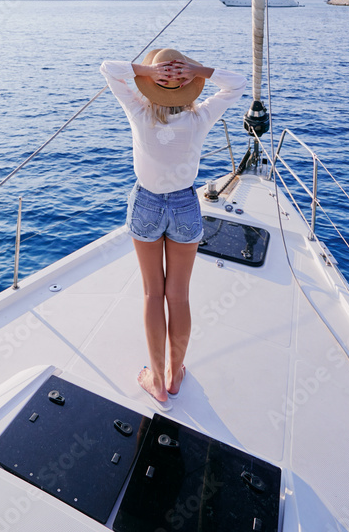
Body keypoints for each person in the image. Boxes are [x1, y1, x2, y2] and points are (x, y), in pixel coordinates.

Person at [100, 47, 247, 409]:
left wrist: (149, 71)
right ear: (188, 85)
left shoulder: (138, 110)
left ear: (151, 83)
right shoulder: (200, 119)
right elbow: (237, 84)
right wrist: (198, 69)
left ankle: (157, 380)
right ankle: (174, 375)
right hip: (184, 205)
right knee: (178, 296)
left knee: (153, 294)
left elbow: (109, 68)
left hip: (147, 203)